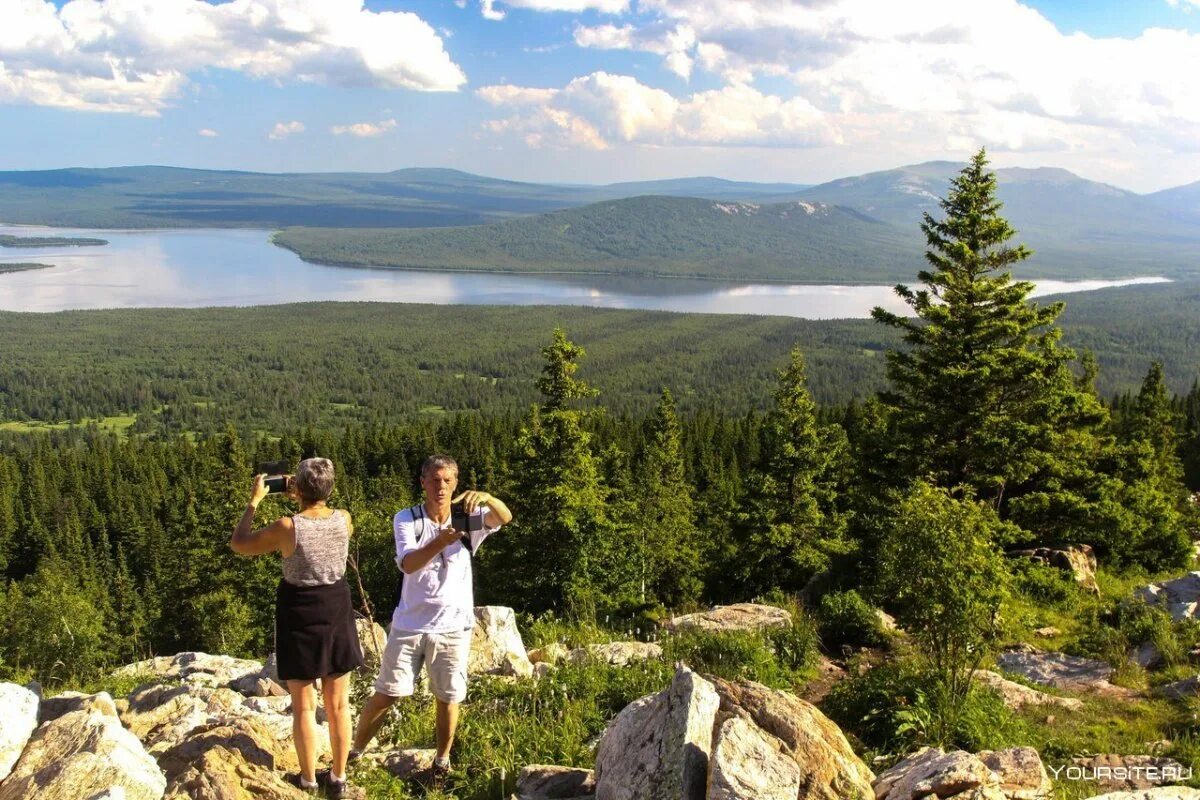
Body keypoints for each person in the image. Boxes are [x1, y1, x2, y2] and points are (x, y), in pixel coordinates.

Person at [351, 454, 512, 784]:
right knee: (388, 692)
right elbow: (409, 564)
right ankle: (352, 754)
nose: (441, 486)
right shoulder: (407, 519)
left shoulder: (468, 518)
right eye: (434, 480)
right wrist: (441, 539)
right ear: (422, 482)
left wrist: (488, 498)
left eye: (447, 480)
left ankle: (441, 763)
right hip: (409, 624)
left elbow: (504, 517)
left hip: (453, 626)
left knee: (448, 697)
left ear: (456, 483)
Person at [230, 457, 363, 798]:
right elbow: (324, 522)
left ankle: (307, 780)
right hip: (337, 607)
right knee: (338, 705)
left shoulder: (287, 527)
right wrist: (304, 494)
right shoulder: (344, 519)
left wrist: (254, 501)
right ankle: (338, 778)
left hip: (300, 611)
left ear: (299, 489)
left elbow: (239, 544)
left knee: (304, 705)